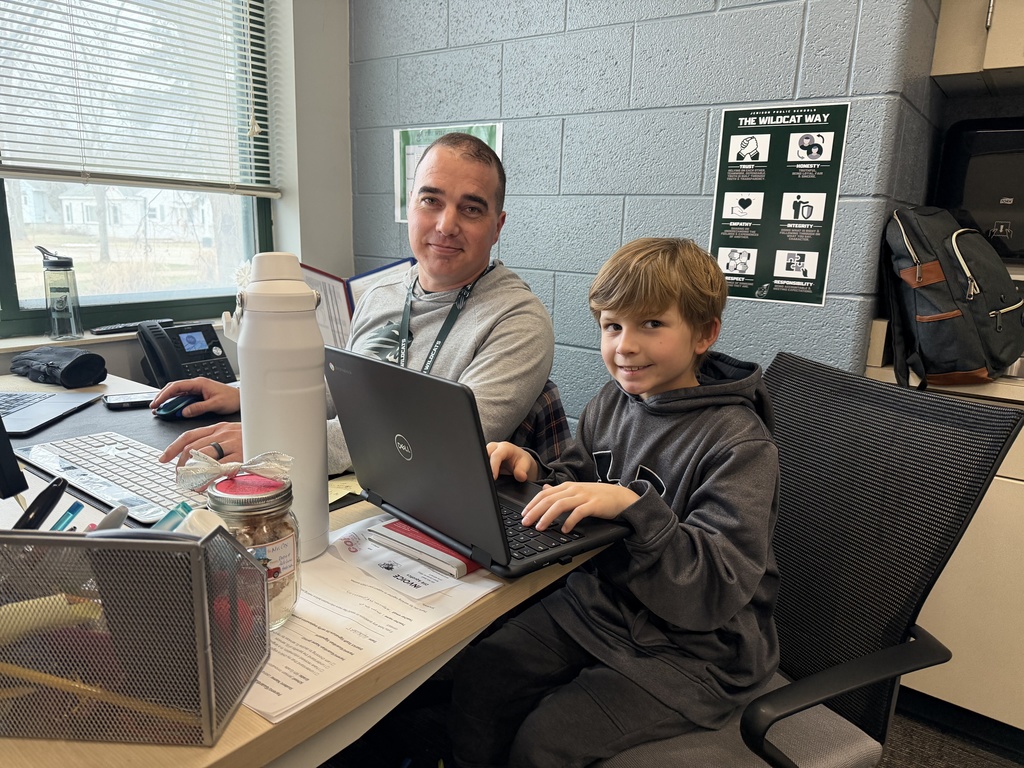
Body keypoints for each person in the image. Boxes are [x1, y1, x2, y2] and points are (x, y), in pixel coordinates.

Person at [448, 237, 780, 767]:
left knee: (545, 742)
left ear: (704, 333)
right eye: (612, 326)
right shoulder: (614, 400)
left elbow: (715, 587)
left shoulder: (739, 444)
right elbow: (580, 482)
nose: (624, 345)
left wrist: (633, 507)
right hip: (600, 607)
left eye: (651, 324)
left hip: (695, 652)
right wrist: (534, 470)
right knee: (478, 680)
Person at [153, 132, 559, 473]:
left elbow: (441, 440)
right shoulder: (382, 296)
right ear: (410, 206)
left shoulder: (517, 321)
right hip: (355, 487)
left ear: (497, 227)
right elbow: (341, 392)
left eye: (471, 209)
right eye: (431, 200)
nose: (446, 225)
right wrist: (251, 395)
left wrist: (282, 441)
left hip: (431, 515)